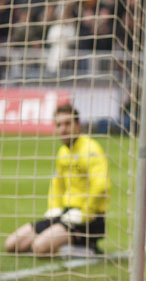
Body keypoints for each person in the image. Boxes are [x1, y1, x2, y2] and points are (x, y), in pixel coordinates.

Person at [5, 104, 110, 255]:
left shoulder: (91, 149)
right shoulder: (63, 152)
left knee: (39, 247)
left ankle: (88, 247)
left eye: (68, 124)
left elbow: (100, 185)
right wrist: (54, 208)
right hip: (64, 214)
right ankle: (63, 244)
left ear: (78, 125)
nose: (63, 129)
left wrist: (85, 213)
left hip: (89, 218)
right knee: (12, 244)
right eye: (59, 125)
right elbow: (57, 185)